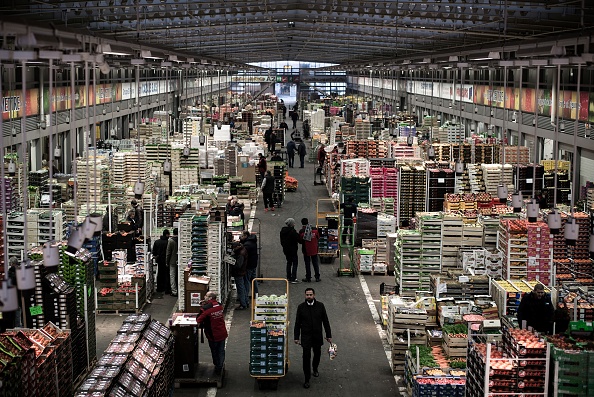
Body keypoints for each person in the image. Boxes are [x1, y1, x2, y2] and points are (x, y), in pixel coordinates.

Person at [294, 288, 332, 389]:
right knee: (306, 358)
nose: (309, 296)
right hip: (306, 337)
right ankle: (307, 379)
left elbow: (325, 321)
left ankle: (315, 368)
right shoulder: (301, 307)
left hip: (317, 336)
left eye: (310, 295)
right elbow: (297, 323)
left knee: (317, 354)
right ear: (305, 295)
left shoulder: (320, 306)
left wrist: (328, 335)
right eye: (307, 295)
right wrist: (296, 337)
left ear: (314, 295)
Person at [197, 291, 228, 375]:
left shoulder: (206, 309)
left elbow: (199, 319)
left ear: (210, 298)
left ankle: (217, 367)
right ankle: (220, 366)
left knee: (214, 351)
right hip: (222, 332)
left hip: (213, 334)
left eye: (206, 295)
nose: (204, 296)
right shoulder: (219, 305)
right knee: (221, 350)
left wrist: (202, 307)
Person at [298, 218, 321, 282]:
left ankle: (308, 277)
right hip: (314, 249)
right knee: (315, 263)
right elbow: (318, 237)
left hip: (306, 250)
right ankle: (317, 277)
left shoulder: (302, 231)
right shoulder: (314, 230)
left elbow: (300, 241)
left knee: (307, 264)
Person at [280, 218, 300, 283]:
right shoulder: (293, 231)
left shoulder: (282, 231)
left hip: (286, 249)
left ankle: (288, 277)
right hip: (293, 250)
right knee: (295, 263)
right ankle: (293, 278)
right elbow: (298, 239)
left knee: (289, 262)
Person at [240, 231, 258, 296]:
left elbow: (243, 253)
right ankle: (256, 294)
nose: (241, 237)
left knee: (246, 280)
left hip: (249, 265)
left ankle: (245, 295)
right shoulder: (252, 241)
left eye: (242, 236)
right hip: (253, 263)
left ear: (245, 236)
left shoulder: (247, 245)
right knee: (253, 279)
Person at [153, 229, 171, 294]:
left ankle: (159, 288)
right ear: (166, 235)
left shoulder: (157, 242)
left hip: (159, 260)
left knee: (160, 274)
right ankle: (166, 289)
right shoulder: (168, 242)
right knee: (167, 274)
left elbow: (154, 252)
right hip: (166, 260)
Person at [232, 241, 249, 309]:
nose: (234, 249)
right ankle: (245, 302)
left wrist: (231, 262)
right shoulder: (242, 250)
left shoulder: (241, 254)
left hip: (239, 273)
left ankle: (243, 304)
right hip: (242, 271)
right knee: (243, 288)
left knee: (240, 289)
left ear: (238, 247)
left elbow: (238, 265)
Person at [166, 228, 179, 297]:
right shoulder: (181, 239)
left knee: (172, 276)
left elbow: (168, 252)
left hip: (172, 261)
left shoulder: (170, 241)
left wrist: (167, 262)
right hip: (180, 260)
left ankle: (174, 291)